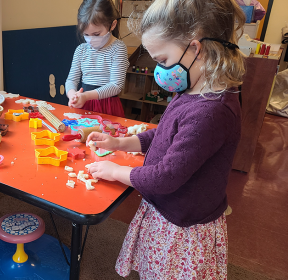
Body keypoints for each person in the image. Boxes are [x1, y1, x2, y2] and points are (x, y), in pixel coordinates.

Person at [86, 0, 246, 278]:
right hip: (166, 212)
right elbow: (163, 134)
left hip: (183, 227)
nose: (160, 71)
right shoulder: (192, 88)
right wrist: (119, 143)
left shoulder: (212, 111)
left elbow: (166, 177)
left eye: (163, 61)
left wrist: (116, 170)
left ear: (197, 49)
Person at [65, 0, 129, 117]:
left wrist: (86, 96)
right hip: (84, 104)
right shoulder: (81, 50)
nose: (90, 39)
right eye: (86, 34)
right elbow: (71, 80)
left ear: (112, 25)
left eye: (96, 34)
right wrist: (72, 95)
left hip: (108, 106)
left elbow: (116, 86)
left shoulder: (118, 48)